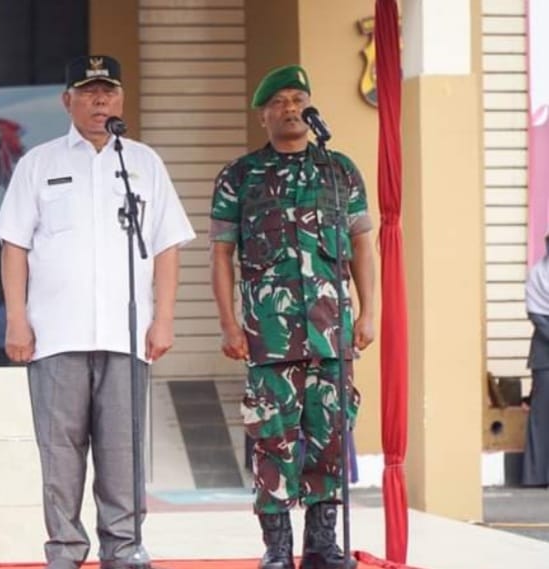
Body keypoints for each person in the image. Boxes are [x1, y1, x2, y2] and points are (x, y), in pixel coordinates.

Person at [0, 55, 195, 569]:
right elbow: (13, 246)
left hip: (126, 334)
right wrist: (16, 319)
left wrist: (164, 318)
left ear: (121, 98)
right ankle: (64, 550)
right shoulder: (39, 163)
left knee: (122, 452)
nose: (100, 100)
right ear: (68, 101)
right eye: (88, 91)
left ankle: (123, 548)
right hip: (55, 335)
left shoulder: (144, 163)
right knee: (59, 454)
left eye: (108, 91)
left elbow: (168, 245)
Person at [209, 64, 375, 569]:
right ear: (262, 115)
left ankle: (322, 544)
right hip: (269, 337)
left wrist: (369, 313)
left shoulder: (339, 171)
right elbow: (221, 255)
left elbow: (362, 247)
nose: (290, 108)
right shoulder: (240, 176)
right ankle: (277, 547)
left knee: (331, 438)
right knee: (272, 442)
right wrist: (229, 324)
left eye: (298, 98)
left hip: (331, 333)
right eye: (278, 101)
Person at [523, 236, 549, 487]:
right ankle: (537, 475)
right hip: (545, 356)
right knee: (542, 416)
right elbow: (535, 315)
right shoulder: (537, 275)